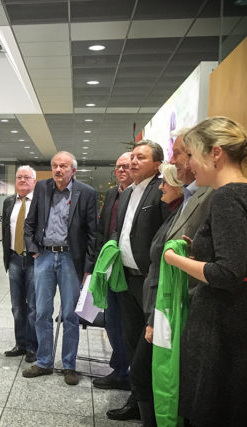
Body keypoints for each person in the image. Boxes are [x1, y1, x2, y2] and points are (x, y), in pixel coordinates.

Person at [163, 117, 247, 426]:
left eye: (190, 154)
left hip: (222, 325)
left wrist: (175, 259)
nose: (186, 164)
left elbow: (228, 272)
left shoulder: (227, 196)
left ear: (215, 153)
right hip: (246, 320)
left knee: (212, 411)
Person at [22, 151, 97, 386]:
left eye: (63, 166)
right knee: (42, 312)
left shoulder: (86, 193)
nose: (58, 169)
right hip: (44, 256)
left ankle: (69, 365)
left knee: (69, 315)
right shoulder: (43, 188)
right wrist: (33, 248)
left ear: (73, 170)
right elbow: (30, 222)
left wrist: (88, 266)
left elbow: (93, 233)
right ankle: (44, 362)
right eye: (55, 165)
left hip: (70, 260)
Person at [107, 140, 167, 421]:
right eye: (132, 157)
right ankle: (136, 398)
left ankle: (153, 407)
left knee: (149, 347)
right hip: (126, 278)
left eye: (140, 158)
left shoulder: (162, 191)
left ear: (157, 163)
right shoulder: (129, 192)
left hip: (148, 280)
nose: (132, 162)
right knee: (131, 340)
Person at [130, 162, 183, 426]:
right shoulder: (174, 215)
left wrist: (153, 320)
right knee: (143, 371)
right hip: (155, 304)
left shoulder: (180, 216)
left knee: (141, 371)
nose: (161, 187)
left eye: (166, 182)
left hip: (163, 308)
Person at [92, 152, 133, 391]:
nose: (122, 170)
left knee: (129, 323)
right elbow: (102, 229)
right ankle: (119, 370)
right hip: (109, 267)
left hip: (130, 270)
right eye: (118, 166)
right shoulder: (111, 194)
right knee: (112, 320)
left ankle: (128, 372)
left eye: (126, 166)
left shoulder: (144, 193)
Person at [166, 131, 213, 295]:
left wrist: (173, 257)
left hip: (195, 296)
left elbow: (228, 269)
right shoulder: (188, 195)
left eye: (177, 153)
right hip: (177, 295)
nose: (171, 160)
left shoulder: (217, 194)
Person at [1, 165, 37, 363]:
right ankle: (20, 344)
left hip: (33, 260)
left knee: (33, 306)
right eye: (19, 177)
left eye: (26, 177)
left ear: (34, 181)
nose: (22, 180)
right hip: (14, 258)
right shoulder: (8, 203)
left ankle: (33, 346)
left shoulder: (39, 202)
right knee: (17, 306)